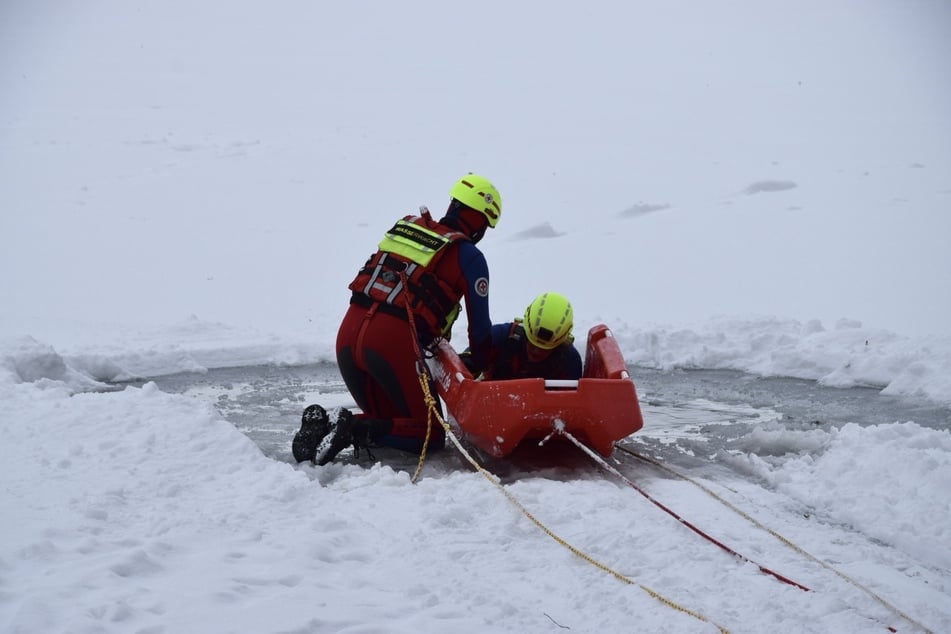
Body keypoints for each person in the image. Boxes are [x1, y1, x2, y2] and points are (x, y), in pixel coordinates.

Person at [292, 173, 503, 465]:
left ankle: (325, 426)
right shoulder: (469, 257)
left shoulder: (407, 225)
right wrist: (480, 367)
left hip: (348, 335)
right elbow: (480, 331)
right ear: (481, 222)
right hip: (391, 343)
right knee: (428, 435)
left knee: (391, 420)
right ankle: (350, 428)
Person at [462, 292, 583, 381]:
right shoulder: (503, 338)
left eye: (544, 349)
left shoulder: (569, 362)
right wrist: (470, 361)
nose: (536, 351)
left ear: (560, 343)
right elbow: (466, 360)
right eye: (532, 343)